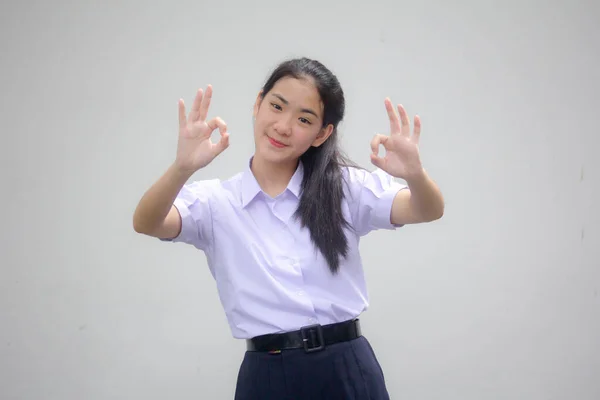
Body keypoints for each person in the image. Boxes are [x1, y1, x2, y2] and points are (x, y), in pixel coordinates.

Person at [133, 57, 444, 399]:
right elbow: (147, 222)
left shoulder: (345, 188)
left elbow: (425, 210)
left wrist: (415, 174)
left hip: (347, 368)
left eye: (304, 119)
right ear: (258, 102)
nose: (283, 126)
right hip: (268, 375)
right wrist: (181, 168)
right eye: (276, 106)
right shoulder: (215, 203)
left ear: (321, 133)